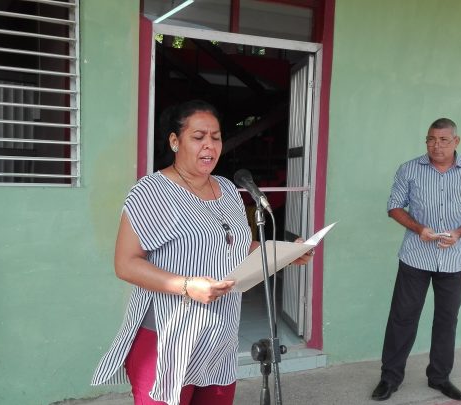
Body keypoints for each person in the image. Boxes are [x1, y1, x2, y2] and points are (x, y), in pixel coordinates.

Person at [91, 100, 313, 405]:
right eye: (198, 137)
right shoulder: (151, 192)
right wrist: (186, 286)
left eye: (216, 137)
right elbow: (125, 264)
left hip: (220, 336)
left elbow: (235, 246)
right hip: (167, 336)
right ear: (174, 141)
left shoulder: (229, 190)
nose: (209, 145)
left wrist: (285, 254)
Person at [371, 118, 461, 402]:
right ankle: (390, 378)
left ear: (456, 141)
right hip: (415, 257)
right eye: (431, 139)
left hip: (453, 259)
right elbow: (394, 206)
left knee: (446, 320)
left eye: (443, 140)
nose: (436, 146)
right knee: (402, 319)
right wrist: (418, 229)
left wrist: (459, 232)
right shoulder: (409, 169)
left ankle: (439, 378)